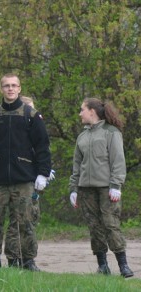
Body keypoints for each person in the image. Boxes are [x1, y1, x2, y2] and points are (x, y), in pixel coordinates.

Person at [0, 73, 51, 271]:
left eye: (14, 85)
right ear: (1, 89)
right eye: (6, 86)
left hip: (24, 179)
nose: (10, 89)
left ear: (19, 89)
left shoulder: (31, 115)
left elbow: (42, 145)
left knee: (25, 221)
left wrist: (43, 173)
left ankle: (25, 260)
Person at [69, 98, 133, 277]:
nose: (80, 113)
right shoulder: (82, 136)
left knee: (111, 224)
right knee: (94, 227)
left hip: (107, 188)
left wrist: (116, 185)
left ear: (92, 111)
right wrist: (73, 188)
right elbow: (77, 165)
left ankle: (123, 266)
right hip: (86, 189)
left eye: (82, 110)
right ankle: (102, 266)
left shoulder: (111, 132)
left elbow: (118, 161)